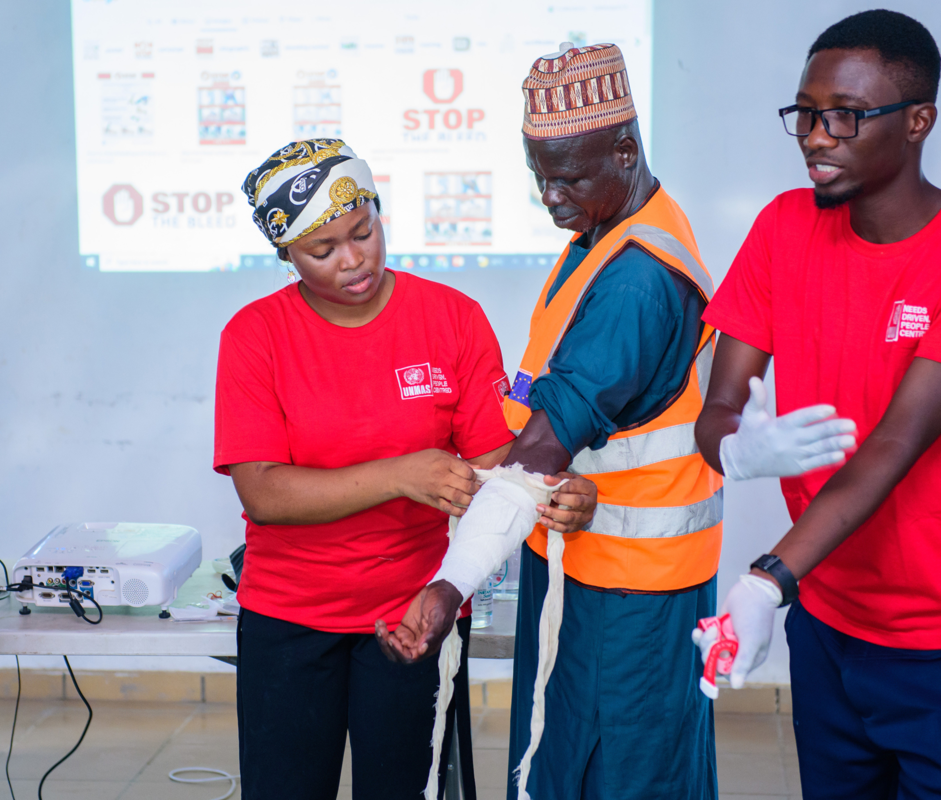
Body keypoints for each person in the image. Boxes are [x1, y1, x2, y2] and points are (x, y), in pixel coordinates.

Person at [380, 44, 728, 799]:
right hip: (587, 568)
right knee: (566, 764)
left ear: (626, 150)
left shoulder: (636, 281)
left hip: (632, 593)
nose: (550, 195)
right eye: (539, 175)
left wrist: (451, 585)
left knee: (621, 776)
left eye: (568, 175)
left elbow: (540, 450)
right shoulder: (604, 236)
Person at [213, 138, 597, 799]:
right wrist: (399, 474)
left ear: (378, 213)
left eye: (362, 232)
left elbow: (493, 467)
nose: (352, 260)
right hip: (290, 620)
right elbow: (264, 491)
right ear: (284, 255)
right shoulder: (254, 336)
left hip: (417, 611)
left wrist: (557, 491)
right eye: (321, 250)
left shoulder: (452, 320)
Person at [693, 11, 941, 799]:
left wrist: (768, 580)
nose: (815, 136)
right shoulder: (782, 229)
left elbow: (894, 445)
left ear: (917, 121)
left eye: (844, 115)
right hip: (828, 619)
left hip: (932, 640)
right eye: (804, 113)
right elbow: (721, 406)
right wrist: (735, 449)